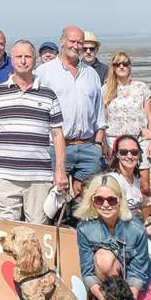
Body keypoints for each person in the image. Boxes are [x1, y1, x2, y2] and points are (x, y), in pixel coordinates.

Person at [0, 41, 68, 223]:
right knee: (4, 230)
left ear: (34, 60)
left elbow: (58, 135)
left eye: (27, 56)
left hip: (39, 176)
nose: (23, 61)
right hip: (5, 175)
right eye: (19, 56)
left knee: (38, 229)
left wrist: (60, 170)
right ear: (13, 60)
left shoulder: (48, 94)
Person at [75, 172, 151, 300]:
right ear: (92, 201)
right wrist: (105, 299)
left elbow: (138, 271)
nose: (105, 205)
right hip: (110, 285)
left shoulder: (136, 229)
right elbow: (87, 272)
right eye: (99, 200)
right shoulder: (84, 229)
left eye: (111, 200)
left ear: (120, 200)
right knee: (103, 258)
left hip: (137, 284)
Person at [36, 25, 104, 194]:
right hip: (57, 148)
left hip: (88, 147)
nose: (76, 46)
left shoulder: (91, 74)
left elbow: (99, 111)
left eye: (80, 42)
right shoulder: (44, 72)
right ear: (62, 42)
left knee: (87, 199)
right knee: (55, 198)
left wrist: (97, 144)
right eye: (72, 41)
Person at [101, 52, 151, 169]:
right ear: (113, 68)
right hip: (113, 140)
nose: (121, 66)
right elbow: (102, 119)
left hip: (139, 139)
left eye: (125, 63)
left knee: (144, 185)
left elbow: (149, 115)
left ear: (130, 66)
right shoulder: (106, 89)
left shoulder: (141, 87)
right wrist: (103, 144)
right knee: (117, 180)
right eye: (117, 64)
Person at [106, 134, 151, 220]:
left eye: (134, 152)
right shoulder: (112, 181)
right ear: (116, 154)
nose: (129, 156)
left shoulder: (135, 178)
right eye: (123, 152)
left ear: (139, 154)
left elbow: (135, 204)